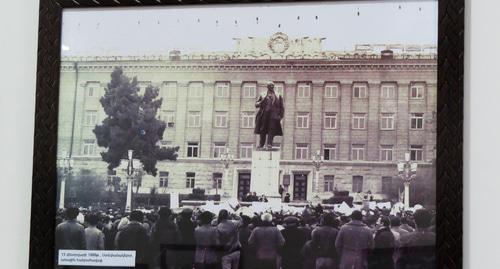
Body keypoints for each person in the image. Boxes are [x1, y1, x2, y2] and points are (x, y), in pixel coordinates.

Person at [254, 82, 284, 149]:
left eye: (273, 86)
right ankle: (261, 144)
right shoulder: (263, 94)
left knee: (272, 129)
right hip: (264, 114)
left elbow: (282, 107)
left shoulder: (278, 95)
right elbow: (256, 104)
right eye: (270, 86)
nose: (271, 87)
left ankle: (269, 144)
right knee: (262, 129)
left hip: (273, 116)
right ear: (267, 87)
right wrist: (263, 101)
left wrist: (280, 116)